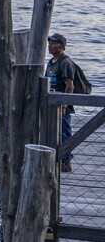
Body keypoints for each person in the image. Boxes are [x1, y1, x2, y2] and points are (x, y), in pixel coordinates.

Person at [46, 32, 76, 172]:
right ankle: (54, 159)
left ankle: (66, 161)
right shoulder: (51, 62)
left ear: (62, 46)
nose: (50, 46)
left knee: (64, 132)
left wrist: (64, 105)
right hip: (51, 104)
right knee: (52, 132)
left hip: (62, 104)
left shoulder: (65, 62)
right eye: (49, 43)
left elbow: (69, 86)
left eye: (53, 43)